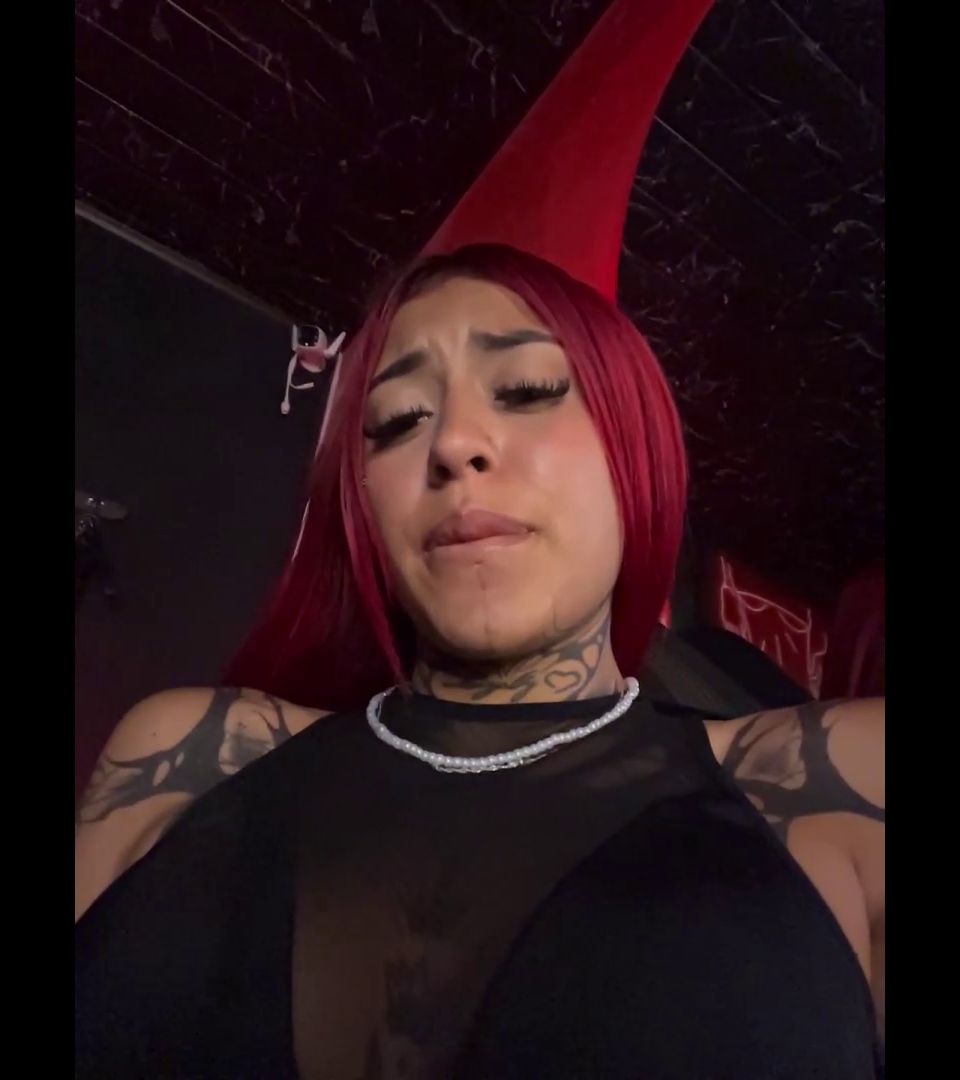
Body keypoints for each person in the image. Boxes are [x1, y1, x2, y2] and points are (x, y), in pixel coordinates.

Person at [75, 244, 884, 1079]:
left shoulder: (839, 785)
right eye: (398, 420)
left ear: (634, 448)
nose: (454, 443)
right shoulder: (193, 753)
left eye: (528, 389)